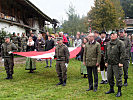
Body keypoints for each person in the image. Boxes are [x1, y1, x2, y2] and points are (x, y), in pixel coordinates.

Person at [105, 32, 126, 97]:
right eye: (111, 35)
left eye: (113, 35)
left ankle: (119, 91)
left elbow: (123, 53)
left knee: (118, 77)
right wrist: (106, 61)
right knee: (109, 77)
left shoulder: (120, 43)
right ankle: (111, 89)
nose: (112, 36)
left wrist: (121, 62)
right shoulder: (108, 43)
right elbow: (106, 53)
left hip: (117, 64)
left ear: (117, 35)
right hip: (110, 64)